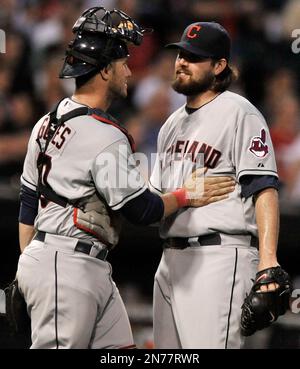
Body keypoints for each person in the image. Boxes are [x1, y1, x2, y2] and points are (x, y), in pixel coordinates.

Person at [16, 7, 235, 349]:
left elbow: (29, 202)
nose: (130, 71)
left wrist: (27, 263)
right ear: (104, 71)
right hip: (66, 263)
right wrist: (186, 195)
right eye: (122, 64)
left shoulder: (47, 121)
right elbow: (141, 209)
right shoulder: (104, 135)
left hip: (71, 262)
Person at [149, 21, 281, 349]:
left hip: (219, 256)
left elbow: (264, 187)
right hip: (169, 260)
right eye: (180, 54)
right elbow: (155, 200)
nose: (181, 62)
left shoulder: (240, 112)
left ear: (219, 65)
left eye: (193, 57)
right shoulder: (170, 125)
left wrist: (268, 261)